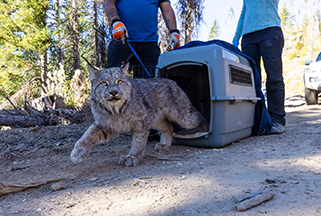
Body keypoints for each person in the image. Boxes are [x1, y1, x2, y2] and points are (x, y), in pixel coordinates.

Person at [232, 0, 286, 134]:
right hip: (248, 38)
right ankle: (257, 121)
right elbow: (244, 13)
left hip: (270, 32)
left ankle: (277, 120)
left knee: (274, 77)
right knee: (251, 81)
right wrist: (236, 37)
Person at [103, 0, 180, 76]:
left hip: (149, 44)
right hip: (122, 40)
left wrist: (174, 31)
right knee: (114, 80)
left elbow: (166, 8)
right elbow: (108, 2)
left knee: (149, 84)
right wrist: (116, 21)